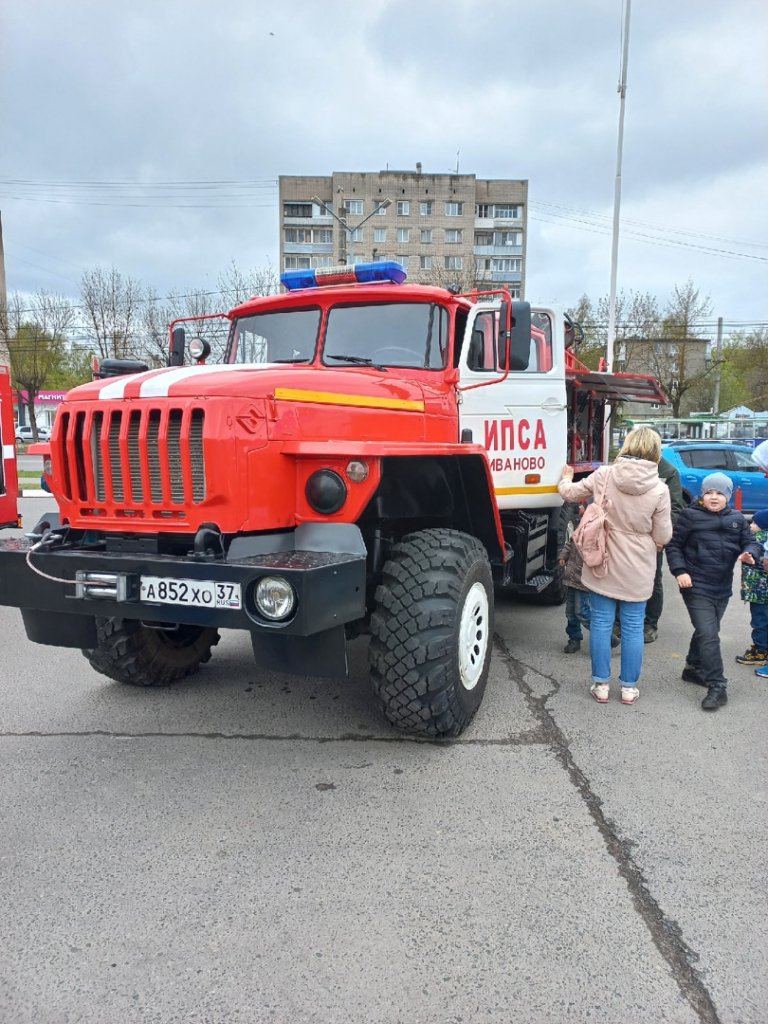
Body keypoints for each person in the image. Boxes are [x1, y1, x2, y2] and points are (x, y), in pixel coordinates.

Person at [558, 425, 673, 705]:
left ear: (627, 446)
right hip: (638, 566)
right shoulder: (659, 488)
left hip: (602, 560)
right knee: (633, 626)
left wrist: (565, 478)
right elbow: (663, 536)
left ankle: (600, 686)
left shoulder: (604, 475)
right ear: (655, 452)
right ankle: (629, 689)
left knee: (600, 622)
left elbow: (570, 494)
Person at [665, 473, 762, 711]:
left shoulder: (737, 519)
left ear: (727, 496)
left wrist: (751, 554)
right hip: (695, 585)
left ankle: (692, 668)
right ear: (702, 495)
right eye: (709, 492)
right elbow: (674, 545)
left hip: (721, 586)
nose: (714, 497)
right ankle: (718, 686)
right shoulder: (690, 516)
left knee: (707, 630)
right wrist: (680, 571)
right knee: (709, 634)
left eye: (719, 493)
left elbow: (752, 542)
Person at [558, 503, 591, 653]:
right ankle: (574, 638)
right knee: (570, 612)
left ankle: (605, 635)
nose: (581, 510)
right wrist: (563, 556)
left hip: (584, 581)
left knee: (582, 611)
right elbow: (569, 544)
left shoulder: (596, 534)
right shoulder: (579, 530)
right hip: (571, 578)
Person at [737, 508, 768, 667]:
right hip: (762, 592)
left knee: (759, 621)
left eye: (755, 522)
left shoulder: (758, 540)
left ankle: (760, 651)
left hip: (759, 592)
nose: (751, 525)